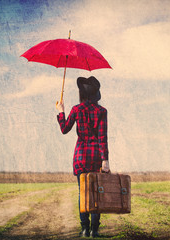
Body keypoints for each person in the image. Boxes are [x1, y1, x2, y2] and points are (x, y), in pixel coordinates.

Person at [56, 76, 110, 238]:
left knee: (83, 192)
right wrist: (105, 160)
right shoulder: (102, 112)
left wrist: (61, 112)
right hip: (96, 158)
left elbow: (64, 129)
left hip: (80, 156)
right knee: (96, 193)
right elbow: (102, 138)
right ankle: (94, 230)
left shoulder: (76, 109)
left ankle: (84, 229)